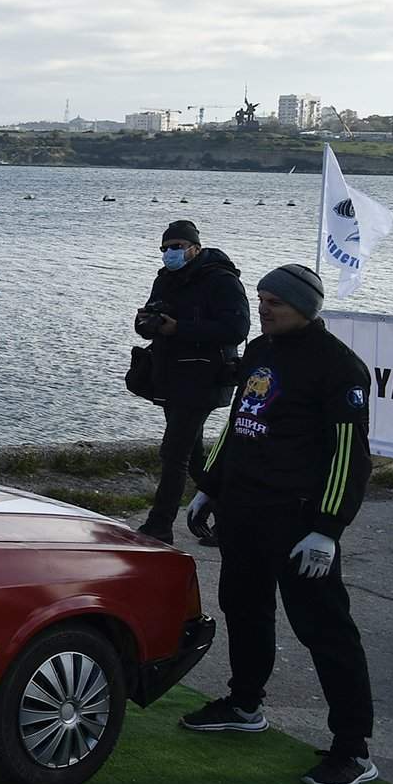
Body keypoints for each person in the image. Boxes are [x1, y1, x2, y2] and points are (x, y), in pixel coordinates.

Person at [179, 264, 377, 784]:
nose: (263, 309)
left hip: (298, 518)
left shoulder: (340, 368)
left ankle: (353, 750)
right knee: (243, 606)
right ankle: (245, 704)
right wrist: (209, 487)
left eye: (276, 303)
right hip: (244, 510)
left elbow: (348, 457)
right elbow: (241, 422)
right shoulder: (260, 352)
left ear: (306, 309)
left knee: (324, 630)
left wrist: (328, 529)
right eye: (261, 299)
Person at [132, 219, 249, 543]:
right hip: (172, 376)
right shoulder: (165, 279)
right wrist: (146, 324)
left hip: (206, 378)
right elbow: (153, 320)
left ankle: (159, 526)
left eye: (177, 247)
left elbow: (237, 330)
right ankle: (229, 519)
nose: (169, 253)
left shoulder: (222, 281)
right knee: (193, 455)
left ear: (195, 248)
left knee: (174, 451)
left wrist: (179, 328)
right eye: (165, 249)